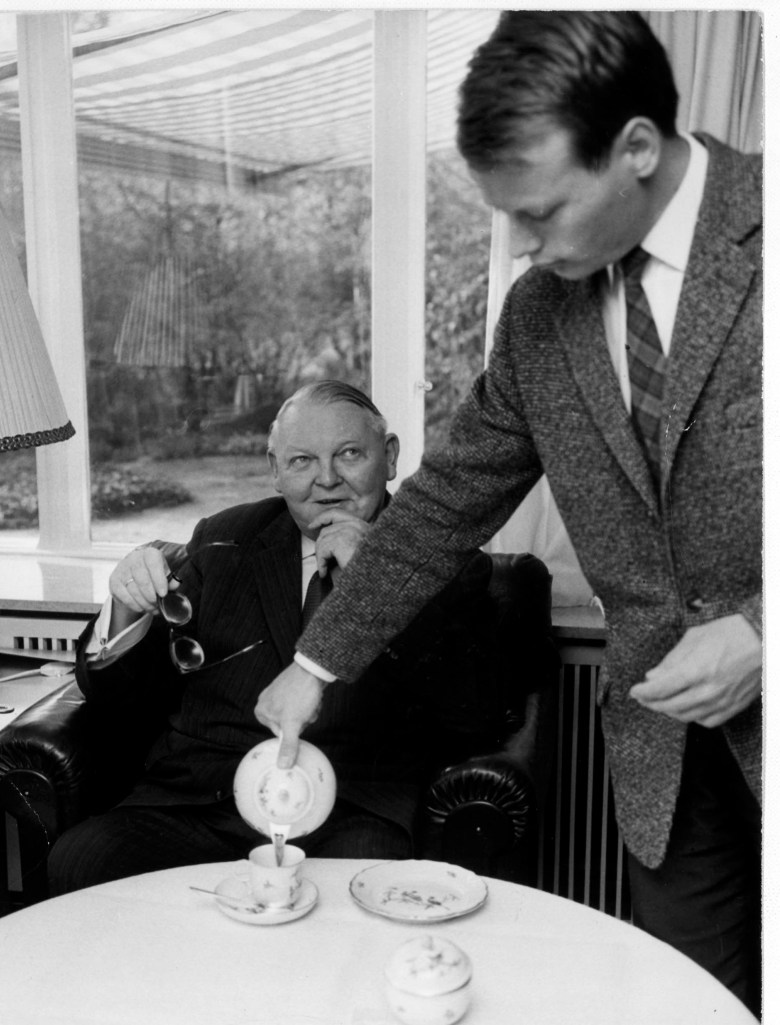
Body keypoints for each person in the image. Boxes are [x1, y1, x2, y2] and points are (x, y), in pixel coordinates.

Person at [256, 12, 762, 1015]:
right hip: (663, 740)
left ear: (636, 150)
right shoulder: (541, 310)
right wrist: (317, 662)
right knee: (690, 998)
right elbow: (443, 499)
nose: (526, 245)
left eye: (541, 212)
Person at [48, 381, 516, 894]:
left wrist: (378, 581)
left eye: (350, 454)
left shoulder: (442, 562)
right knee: (84, 860)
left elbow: (476, 713)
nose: (327, 480)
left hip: (349, 811)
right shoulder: (222, 542)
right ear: (274, 470)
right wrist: (123, 611)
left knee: (358, 888)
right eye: (301, 462)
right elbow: (120, 701)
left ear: (390, 457)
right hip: (204, 803)